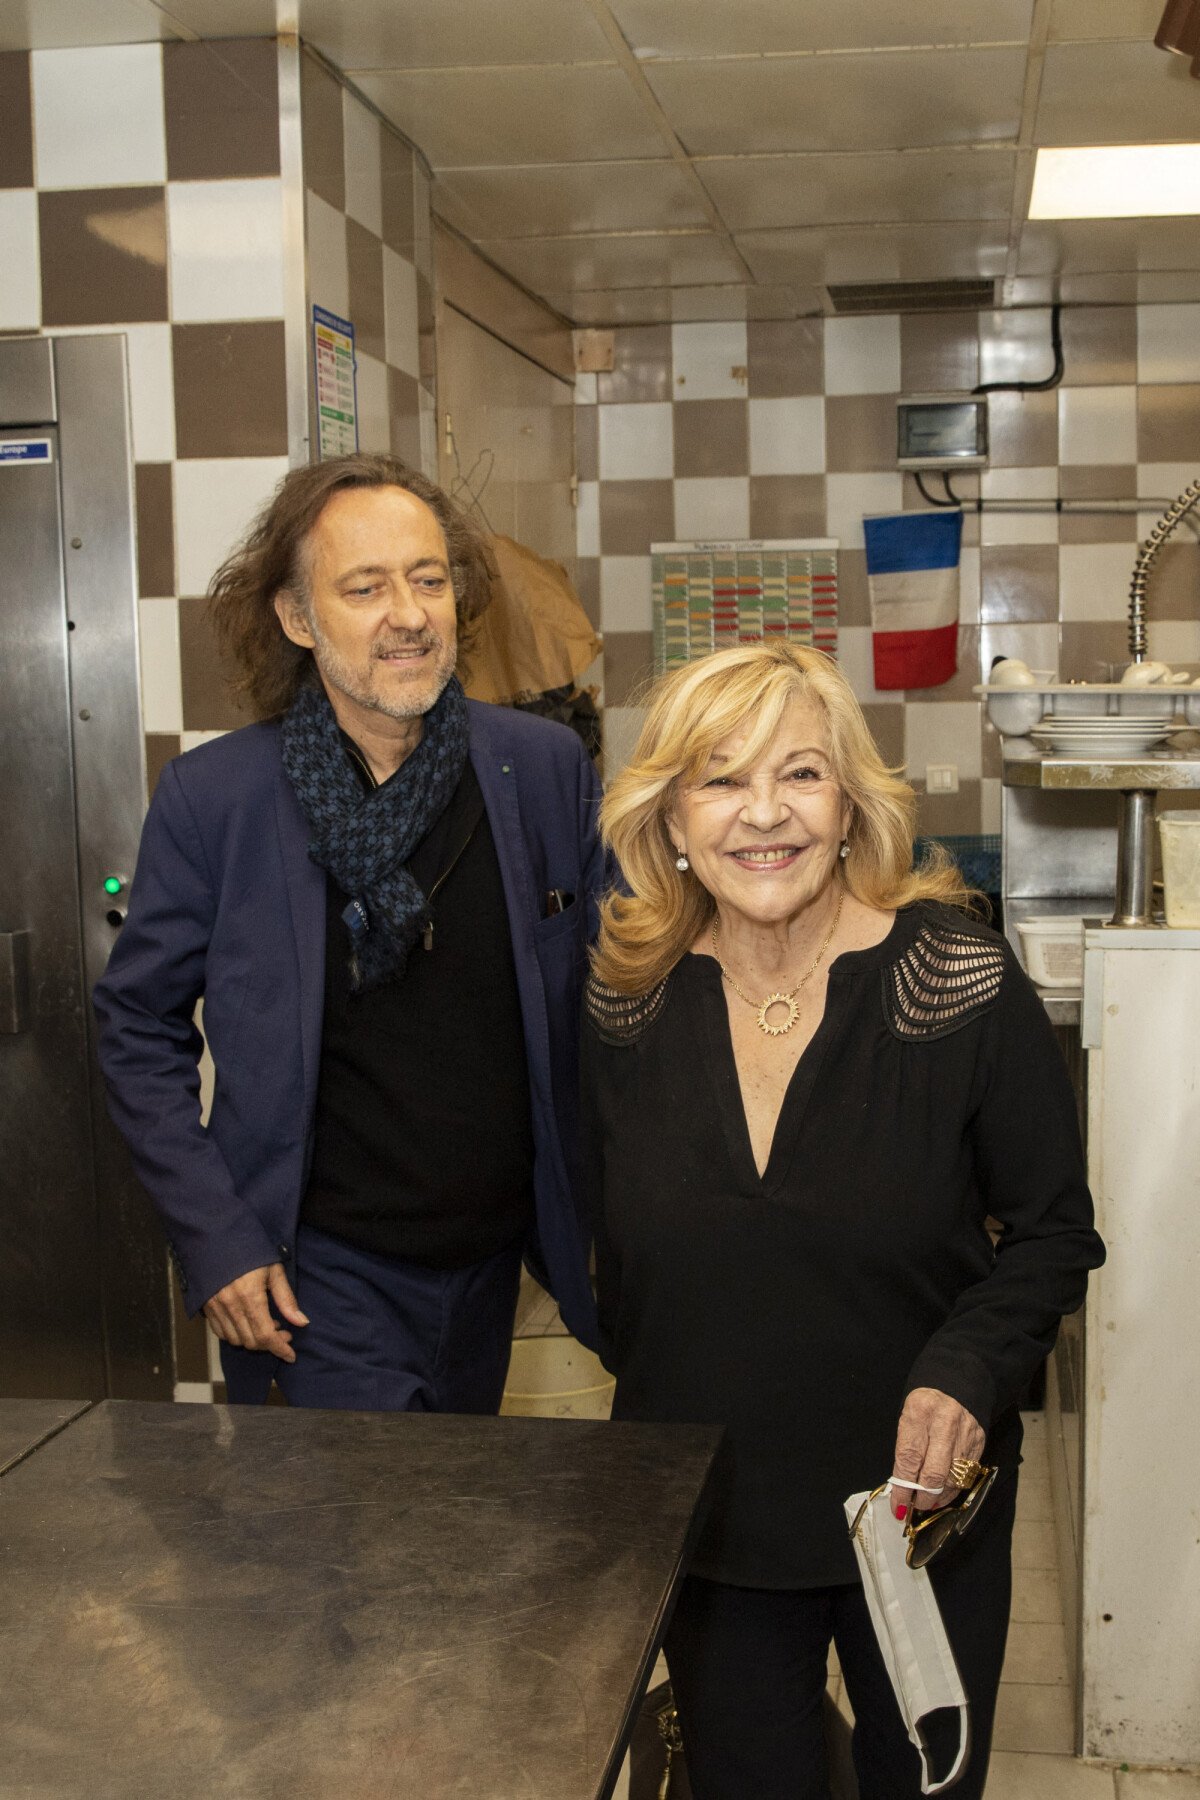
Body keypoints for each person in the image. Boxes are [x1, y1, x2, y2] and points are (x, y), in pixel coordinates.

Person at [581, 642, 1104, 1800]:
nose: (763, 814)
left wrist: (968, 1373)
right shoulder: (627, 1002)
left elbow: (1056, 1231)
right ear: (670, 816)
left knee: (918, 1785)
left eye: (800, 775)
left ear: (851, 803)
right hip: (711, 1511)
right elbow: (601, 1240)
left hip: (913, 1519)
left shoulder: (955, 982)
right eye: (720, 779)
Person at [95, 453, 604, 1411]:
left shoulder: (539, 772)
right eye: (364, 587)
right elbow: (137, 1026)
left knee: (452, 1543)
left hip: (499, 1266)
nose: (407, 614)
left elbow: (624, 980)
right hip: (316, 1279)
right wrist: (216, 1237)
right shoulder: (219, 801)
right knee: (353, 1555)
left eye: (428, 580)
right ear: (297, 617)